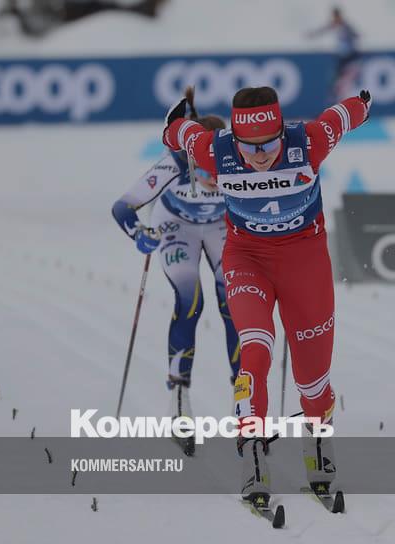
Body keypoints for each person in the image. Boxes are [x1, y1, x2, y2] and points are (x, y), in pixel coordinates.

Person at [162, 85, 371, 505]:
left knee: (313, 383)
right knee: (254, 352)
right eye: (249, 147)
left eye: (270, 143)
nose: (260, 155)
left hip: (305, 262)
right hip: (246, 259)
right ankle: (252, 452)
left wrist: (363, 102)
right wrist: (174, 122)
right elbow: (176, 133)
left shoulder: (309, 140)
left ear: (283, 132)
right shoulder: (213, 150)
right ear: (234, 140)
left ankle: (317, 444)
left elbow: (344, 115)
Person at [111, 91, 240, 455]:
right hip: (176, 226)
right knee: (190, 301)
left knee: (235, 302)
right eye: (208, 173)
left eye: (220, 173)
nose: (216, 180)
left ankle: (243, 399)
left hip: (218, 226)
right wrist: (140, 233)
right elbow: (122, 207)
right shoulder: (174, 164)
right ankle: (179, 398)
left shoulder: (236, 159)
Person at [307, 6, 361, 103]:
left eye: (337, 17)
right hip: (342, 60)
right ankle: (336, 103)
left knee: (346, 84)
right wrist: (312, 34)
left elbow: (356, 36)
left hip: (351, 59)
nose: (335, 19)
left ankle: (347, 104)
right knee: (335, 83)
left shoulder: (346, 26)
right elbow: (324, 29)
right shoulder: (336, 25)